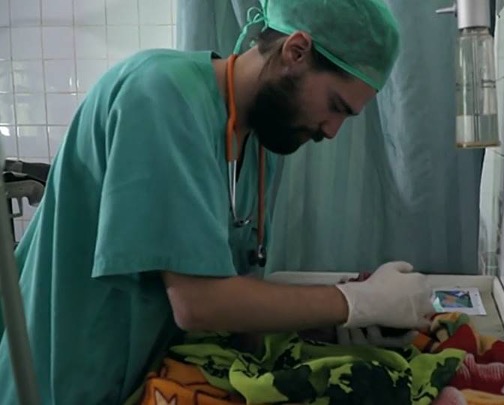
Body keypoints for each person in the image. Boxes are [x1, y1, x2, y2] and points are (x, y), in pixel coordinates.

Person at [0, 0, 437, 404]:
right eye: (335, 106)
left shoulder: (265, 138)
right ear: (296, 51)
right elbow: (200, 304)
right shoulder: (158, 95)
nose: (331, 130)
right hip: (62, 380)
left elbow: (237, 302)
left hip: (144, 381)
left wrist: (337, 325)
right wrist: (355, 301)